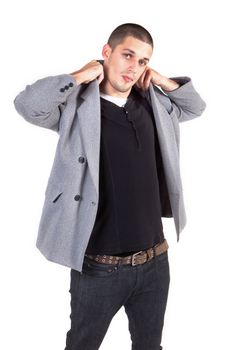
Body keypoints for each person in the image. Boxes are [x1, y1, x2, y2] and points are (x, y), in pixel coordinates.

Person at [13, 23, 206, 350]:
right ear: (107, 53)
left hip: (155, 263)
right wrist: (77, 75)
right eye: (128, 55)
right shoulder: (75, 106)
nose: (134, 67)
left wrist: (159, 79)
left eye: (143, 61)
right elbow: (28, 105)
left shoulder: (154, 103)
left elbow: (195, 107)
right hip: (99, 268)